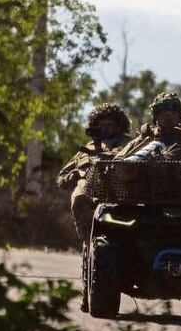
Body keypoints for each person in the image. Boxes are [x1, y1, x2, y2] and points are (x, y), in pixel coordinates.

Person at [56, 103, 132, 244]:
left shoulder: (131, 144)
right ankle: (89, 244)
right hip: (91, 194)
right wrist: (75, 176)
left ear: (119, 126)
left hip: (123, 193)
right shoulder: (86, 149)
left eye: (109, 125)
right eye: (101, 125)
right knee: (79, 197)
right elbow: (61, 178)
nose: (105, 129)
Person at [114, 92, 181, 161]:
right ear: (156, 117)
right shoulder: (147, 137)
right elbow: (119, 160)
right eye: (164, 115)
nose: (168, 118)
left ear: (179, 117)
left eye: (173, 114)